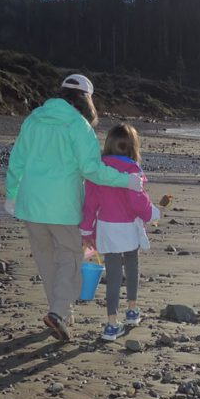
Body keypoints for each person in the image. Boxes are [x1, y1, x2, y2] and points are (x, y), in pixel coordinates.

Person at [5, 74, 143, 342]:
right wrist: (126, 180)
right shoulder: (79, 126)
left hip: (30, 205)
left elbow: (17, 160)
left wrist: (11, 195)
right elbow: (92, 171)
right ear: (86, 100)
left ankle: (61, 314)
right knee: (70, 258)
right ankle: (58, 312)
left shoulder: (34, 118)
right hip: (63, 207)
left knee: (47, 261)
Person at [80, 123, 160, 341]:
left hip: (106, 227)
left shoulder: (98, 170)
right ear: (133, 147)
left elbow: (90, 203)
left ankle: (111, 324)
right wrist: (152, 213)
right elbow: (138, 202)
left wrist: (87, 229)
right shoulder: (133, 170)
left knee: (113, 276)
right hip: (128, 229)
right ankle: (132, 311)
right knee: (132, 267)